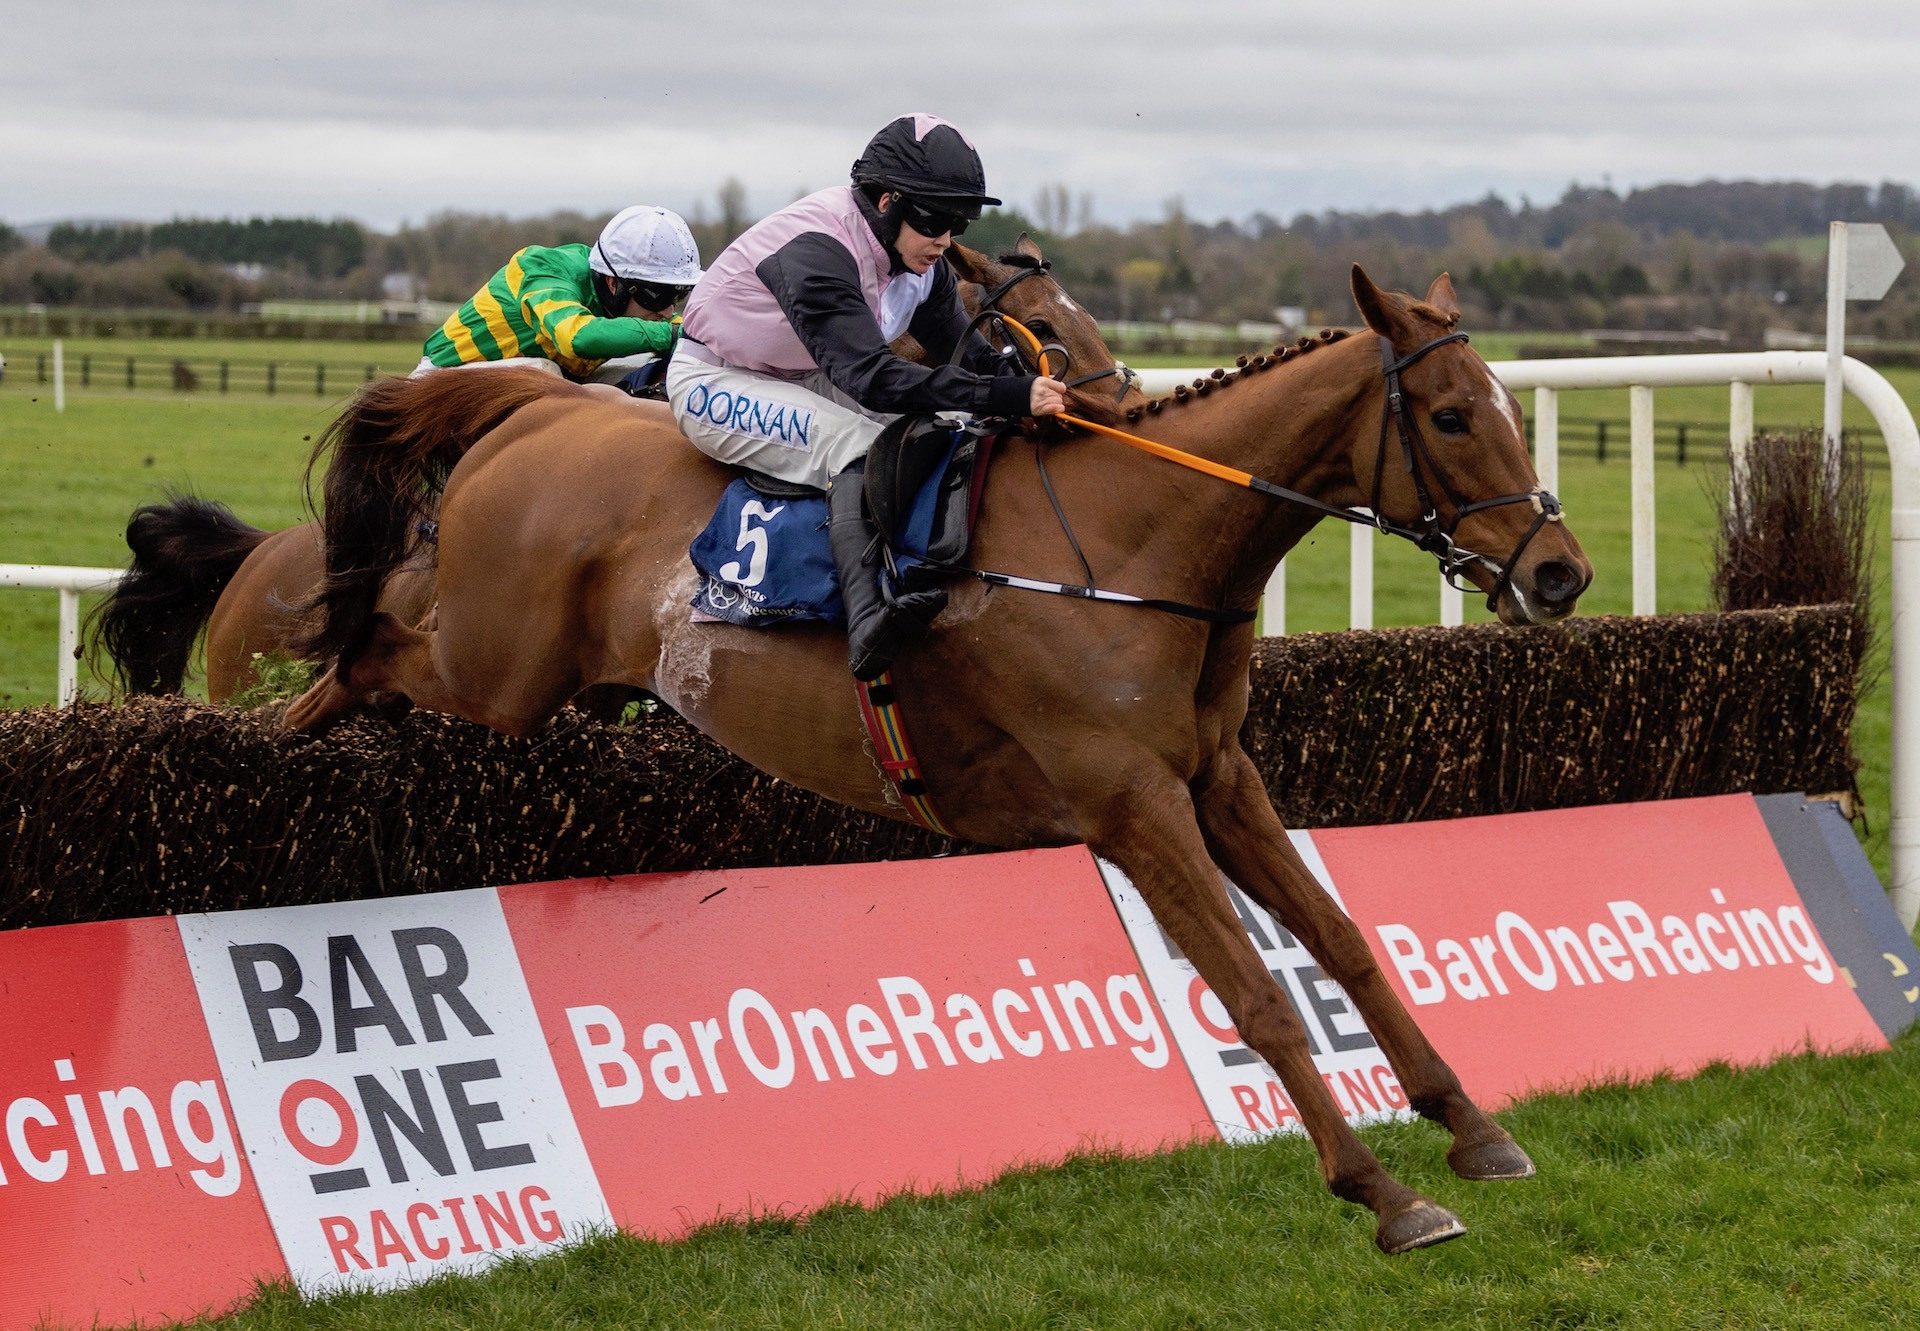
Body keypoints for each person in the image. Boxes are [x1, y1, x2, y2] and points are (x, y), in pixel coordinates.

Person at [669, 112, 1067, 677]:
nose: (945, 240)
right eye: (935, 220)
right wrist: (1005, 394)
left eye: (959, 223)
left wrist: (1029, 388)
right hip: (716, 379)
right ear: (886, 202)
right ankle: (867, 620)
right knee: (859, 446)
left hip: (801, 370)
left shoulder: (921, 263)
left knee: (949, 425)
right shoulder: (818, 249)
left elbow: (970, 360)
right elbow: (873, 378)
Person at [413, 205, 703, 388]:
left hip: (525, 387)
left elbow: (677, 331)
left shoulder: (619, 292)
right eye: (658, 296)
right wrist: (674, 335)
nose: (667, 311)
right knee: (544, 373)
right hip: (439, 386)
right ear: (615, 283)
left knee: (657, 372)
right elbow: (577, 338)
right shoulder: (543, 268)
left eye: (677, 297)